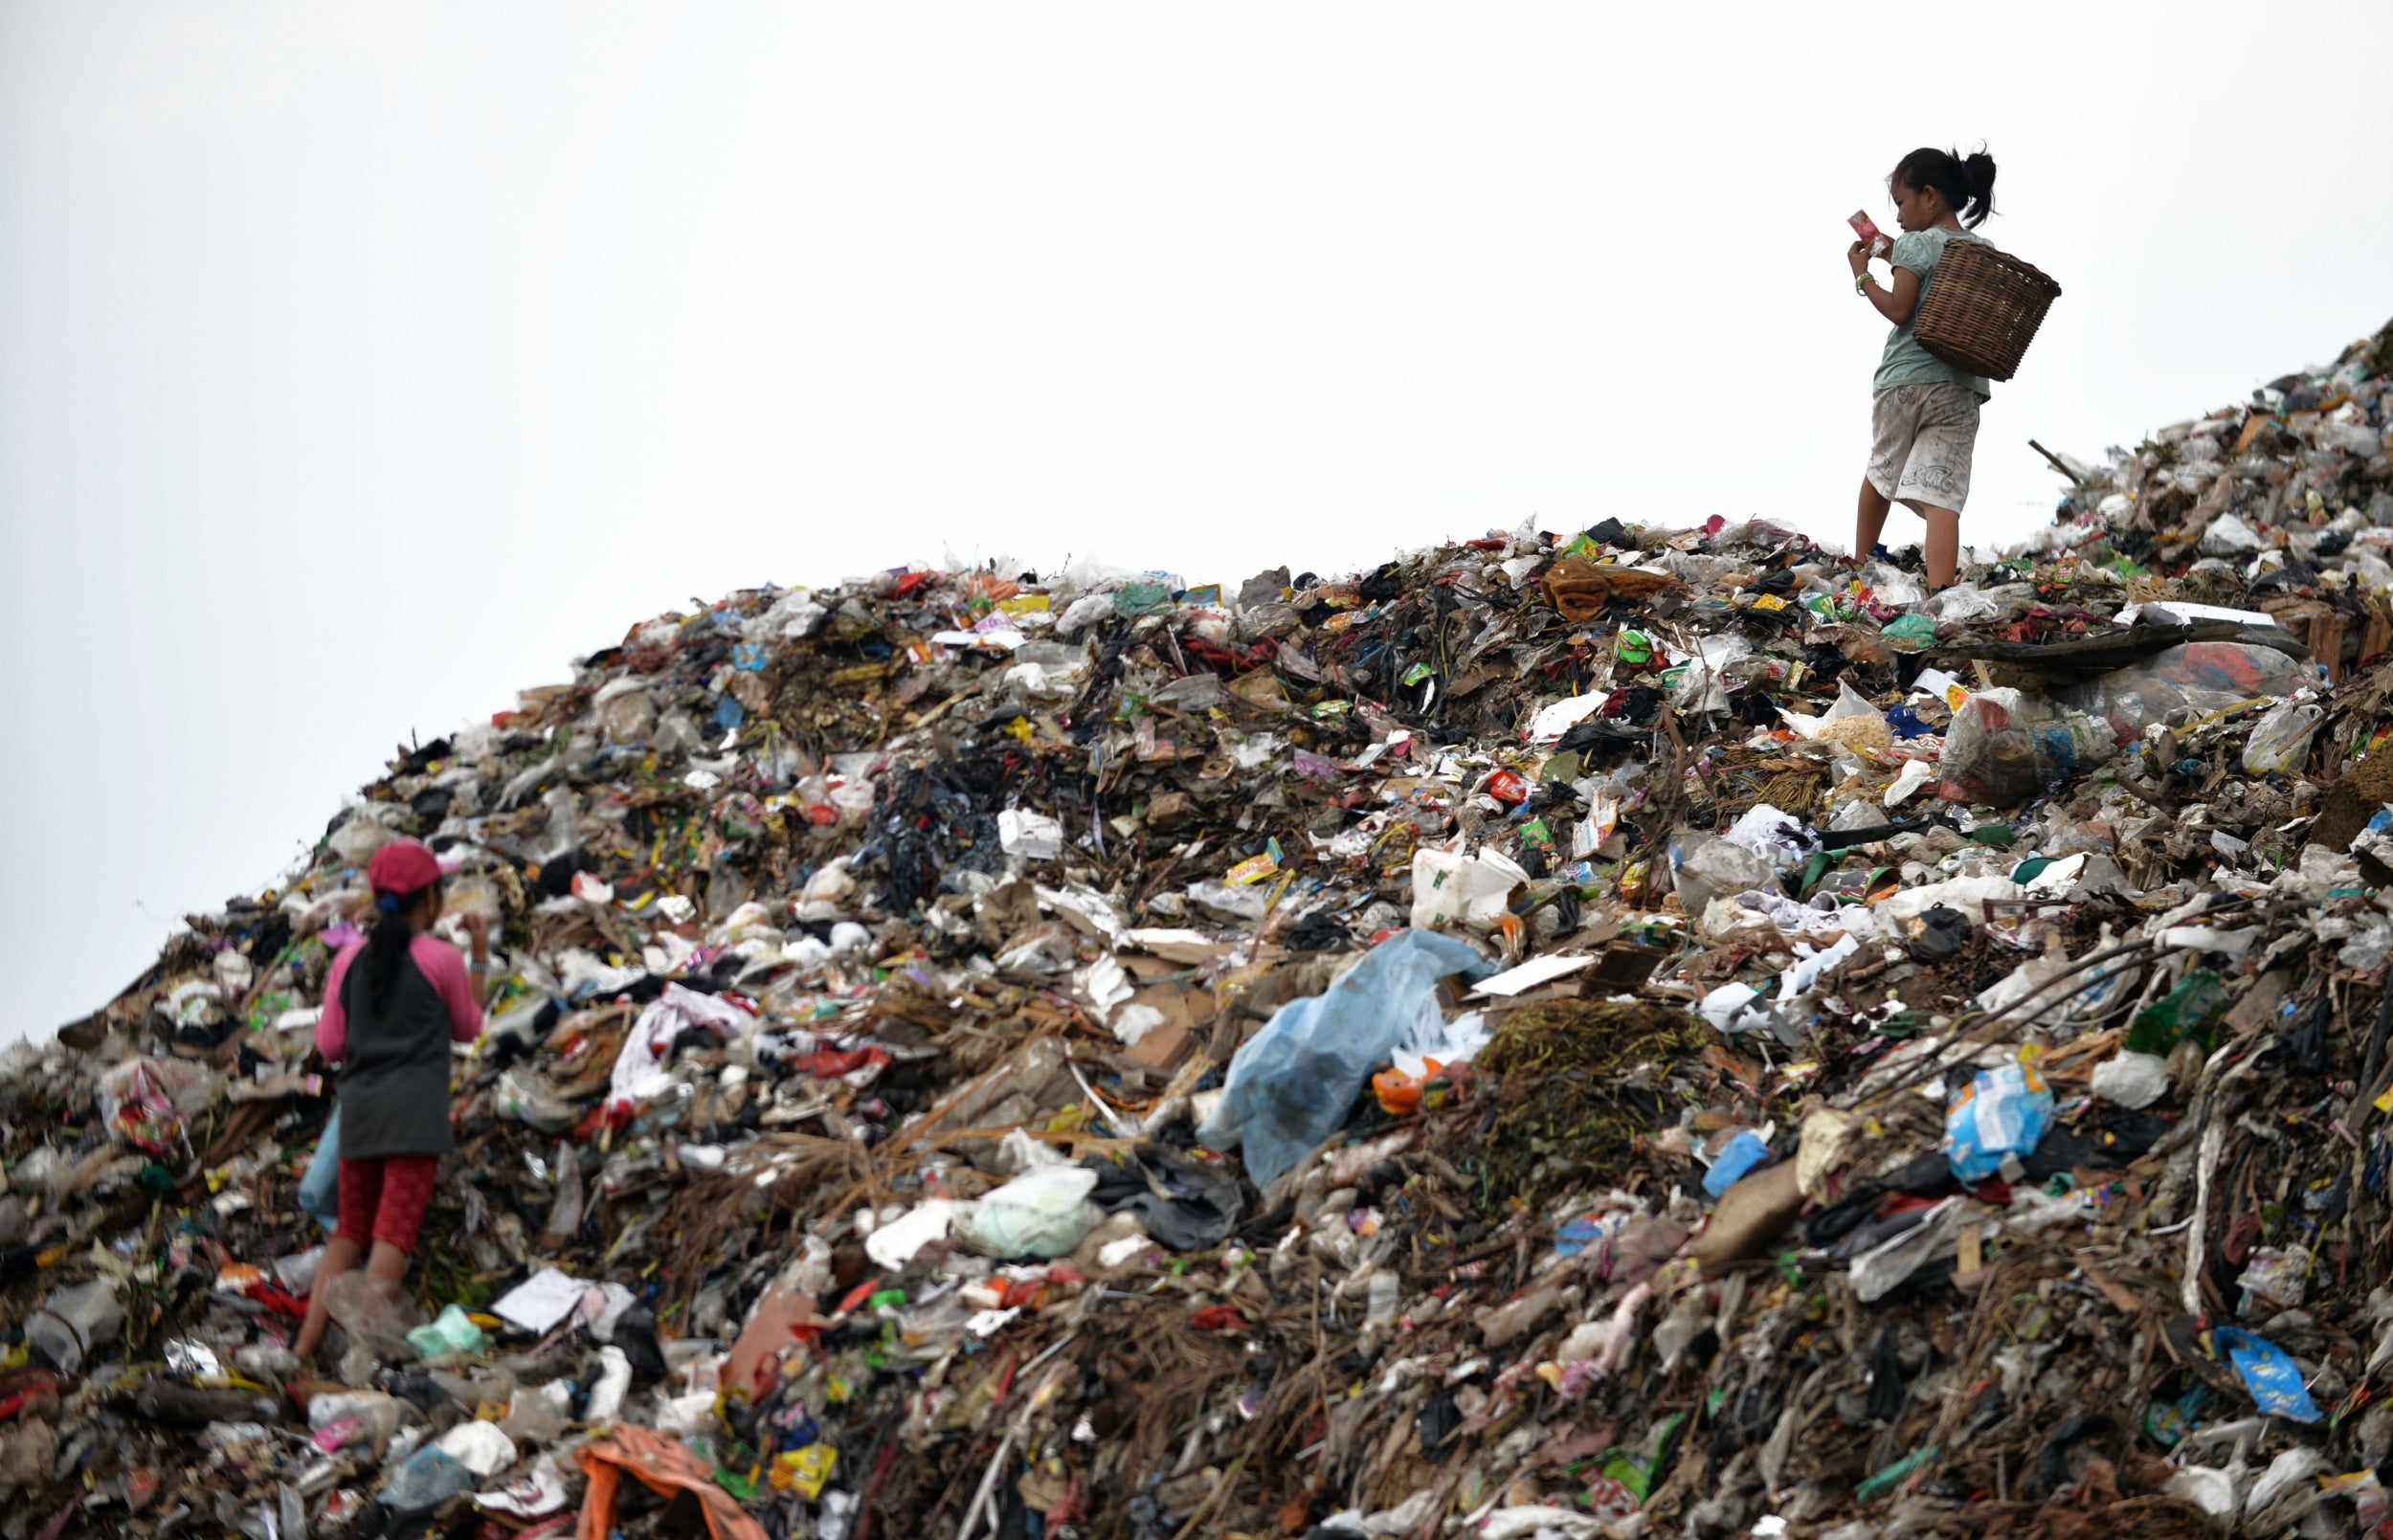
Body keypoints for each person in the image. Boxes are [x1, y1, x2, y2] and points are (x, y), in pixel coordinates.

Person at [293, 838, 487, 1362]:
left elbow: (329, 1044)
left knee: (350, 1231)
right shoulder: (442, 958)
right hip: (414, 1117)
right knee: (392, 1234)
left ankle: (304, 1348)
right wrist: (481, 957)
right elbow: (469, 1029)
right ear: (432, 900)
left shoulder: (350, 960)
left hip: (358, 1114)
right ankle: (365, 1353)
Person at [1847, 145, 1999, 592]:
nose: (1896, 217)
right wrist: (1894, 254)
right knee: (1941, 496)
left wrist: (1862, 275)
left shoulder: (1915, 244)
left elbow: (1900, 309)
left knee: (1881, 472)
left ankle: (1858, 566)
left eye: (1900, 202)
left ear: (1929, 197)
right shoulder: (1982, 250)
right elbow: (1938, 274)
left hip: (1905, 380)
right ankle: (1939, 596)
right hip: (1959, 388)